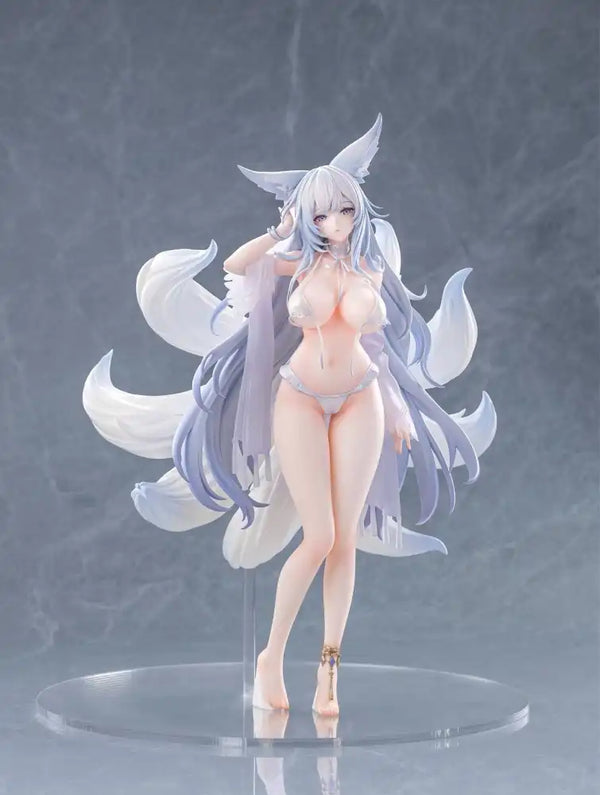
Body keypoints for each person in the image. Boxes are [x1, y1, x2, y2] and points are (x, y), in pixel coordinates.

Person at [82, 113, 496, 717]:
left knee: (345, 541)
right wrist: (282, 226)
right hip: (299, 395)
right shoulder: (293, 261)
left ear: (359, 210)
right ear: (307, 216)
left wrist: (399, 410)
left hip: (362, 397)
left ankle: (329, 671)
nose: (336, 223)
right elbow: (235, 266)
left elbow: (379, 349)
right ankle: (271, 655)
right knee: (319, 535)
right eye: (322, 214)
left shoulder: (370, 267)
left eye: (345, 210)